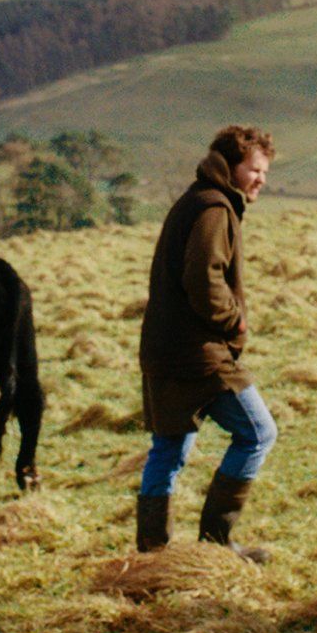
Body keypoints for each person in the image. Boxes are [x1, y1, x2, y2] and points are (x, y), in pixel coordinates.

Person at [135, 125, 280, 559]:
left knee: (168, 449)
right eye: (255, 170)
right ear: (230, 166)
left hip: (166, 352)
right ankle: (217, 543)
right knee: (258, 433)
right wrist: (234, 322)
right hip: (198, 356)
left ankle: (153, 555)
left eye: (265, 173)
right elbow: (204, 279)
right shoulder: (214, 209)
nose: (260, 180)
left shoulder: (198, 200)